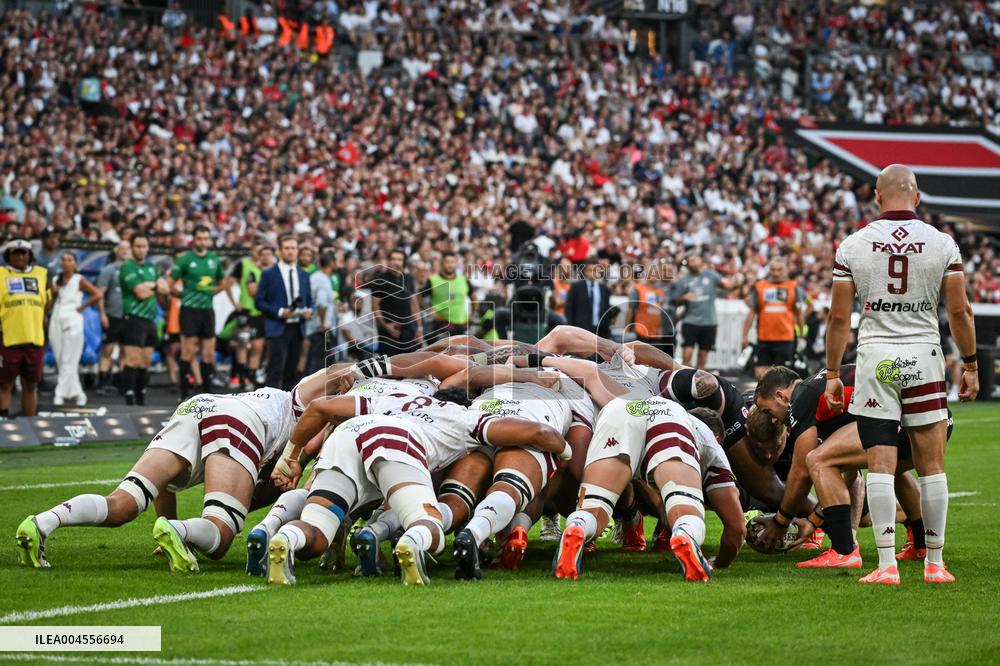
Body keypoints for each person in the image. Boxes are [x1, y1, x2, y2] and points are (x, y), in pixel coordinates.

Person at [824, 164, 978, 585]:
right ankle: (935, 563)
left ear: (877, 197)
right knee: (932, 467)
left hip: (876, 359)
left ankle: (887, 565)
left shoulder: (853, 245)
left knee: (879, 465)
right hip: (924, 357)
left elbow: (839, 318)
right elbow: (960, 311)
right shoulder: (941, 243)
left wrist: (834, 373)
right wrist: (970, 364)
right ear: (918, 195)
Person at [265, 390, 569, 586]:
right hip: (398, 441)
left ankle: (287, 538)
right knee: (432, 529)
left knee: (316, 533)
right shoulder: (465, 417)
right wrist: (565, 452)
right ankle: (412, 541)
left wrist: (289, 457)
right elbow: (538, 431)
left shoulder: (395, 397)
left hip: (347, 436)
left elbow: (319, 407)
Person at [14, 387, 296, 570]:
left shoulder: (279, 404)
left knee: (122, 504)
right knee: (221, 533)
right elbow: (320, 401)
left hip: (198, 406)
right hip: (238, 420)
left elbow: (165, 487)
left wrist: (168, 532)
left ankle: (42, 523)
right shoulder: (309, 403)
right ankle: (184, 531)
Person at [171, 225, 228, 398]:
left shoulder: (214, 259)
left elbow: (222, 282)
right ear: (194, 240)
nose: (202, 241)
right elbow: (170, 281)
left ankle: (207, 393)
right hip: (189, 310)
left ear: (209, 240)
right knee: (188, 352)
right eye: (199, 238)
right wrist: (182, 294)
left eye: (205, 238)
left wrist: (211, 292)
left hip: (207, 310)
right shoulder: (185, 259)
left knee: (208, 354)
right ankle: (184, 393)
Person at [0, 239, 51, 417]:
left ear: (30, 255)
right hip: (7, 337)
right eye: (16, 253)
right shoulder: (1, 273)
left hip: (34, 337)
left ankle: (31, 424)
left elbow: (48, 302)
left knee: (31, 383)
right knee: (4, 383)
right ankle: (3, 422)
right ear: (8, 255)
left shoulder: (42, 274)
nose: (21, 257)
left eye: (24, 253)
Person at [256, 234, 312, 391]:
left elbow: (308, 300)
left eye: (293, 248)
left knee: (293, 372)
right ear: (280, 251)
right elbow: (259, 302)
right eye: (287, 248)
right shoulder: (268, 274)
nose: (290, 252)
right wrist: (280, 312)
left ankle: (289, 409)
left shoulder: (304, 274)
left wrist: (309, 311)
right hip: (277, 327)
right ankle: (269, 409)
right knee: (274, 370)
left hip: (298, 327)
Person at [119, 234, 168, 406]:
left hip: (150, 318)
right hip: (133, 317)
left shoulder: (151, 267)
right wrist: (154, 285)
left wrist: (151, 286)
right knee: (132, 359)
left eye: (144, 246)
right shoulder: (127, 266)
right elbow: (140, 293)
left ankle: (141, 395)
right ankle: (129, 397)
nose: (141, 249)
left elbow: (166, 288)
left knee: (145, 361)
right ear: (132, 247)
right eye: (138, 246)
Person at [48, 252, 102, 406]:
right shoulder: (55, 280)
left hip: (73, 318)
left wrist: (82, 307)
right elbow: (52, 300)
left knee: (69, 357)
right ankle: (78, 393)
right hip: (56, 317)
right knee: (61, 358)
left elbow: (97, 294)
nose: (66, 262)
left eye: (69, 260)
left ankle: (59, 393)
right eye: (63, 259)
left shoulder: (79, 280)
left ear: (75, 264)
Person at [741, 258, 806, 379]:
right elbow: (751, 313)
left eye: (779, 269)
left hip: (785, 338)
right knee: (760, 374)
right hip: (764, 338)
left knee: (782, 377)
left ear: (786, 270)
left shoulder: (793, 287)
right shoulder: (760, 287)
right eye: (773, 269)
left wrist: (802, 337)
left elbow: (799, 313)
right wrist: (744, 335)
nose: (776, 272)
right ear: (769, 271)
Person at [674, 254, 740, 369]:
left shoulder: (711, 275)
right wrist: (683, 298)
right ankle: (683, 380)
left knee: (703, 354)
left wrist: (737, 280)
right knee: (687, 354)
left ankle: (699, 382)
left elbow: (728, 286)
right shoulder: (683, 280)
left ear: (700, 261)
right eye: (690, 261)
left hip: (709, 322)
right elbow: (675, 300)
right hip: (690, 321)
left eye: (694, 259)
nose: (692, 263)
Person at [368, 248, 423, 356]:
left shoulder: (409, 279)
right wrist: (385, 326)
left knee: (408, 366)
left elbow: (414, 305)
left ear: (403, 262)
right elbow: (375, 307)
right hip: (388, 332)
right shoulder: (380, 280)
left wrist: (419, 328)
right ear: (388, 261)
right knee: (389, 368)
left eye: (399, 259)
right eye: (393, 259)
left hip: (408, 330)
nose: (396, 262)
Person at [96, 240, 131, 395]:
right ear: (117, 250)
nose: (124, 251)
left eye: (127, 248)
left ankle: (122, 383)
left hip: (129, 316)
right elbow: (100, 295)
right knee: (108, 349)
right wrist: (102, 314)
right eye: (121, 248)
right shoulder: (108, 270)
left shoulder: (134, 270)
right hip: (112, 315)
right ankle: (102, 382)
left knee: (126, 350)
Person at [626, 261, 674, 356]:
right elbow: (631, 310)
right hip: (641, 330)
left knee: (655, 361)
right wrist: (627, 328)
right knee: (641, 359)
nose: (654, 275)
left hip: (656, 332)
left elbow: (661, 312)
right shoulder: (638, 289)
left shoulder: (660, 292)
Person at [427, 252, 471, 344]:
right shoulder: (433, 280)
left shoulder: (463, 279)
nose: (450, 265)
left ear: (456, 263)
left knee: (460, 355)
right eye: (447, 262)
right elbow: (418, 297)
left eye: (452, 262)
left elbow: (473, 295)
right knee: (443, 355)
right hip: (442, 325)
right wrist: (429, 310)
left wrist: (472, 314)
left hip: (461, 324)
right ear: (442, 263)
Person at [304, 251, 337, 374]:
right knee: (319, 363)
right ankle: (315, 390)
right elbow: (321, 303)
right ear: (332, 263)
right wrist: (323, 323)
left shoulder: (316, 277)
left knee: (316, 360)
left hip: (314, 326)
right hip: (321, 327)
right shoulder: (322, 280)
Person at [564, 261, 612, 339]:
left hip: (599, 330)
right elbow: (569, 309)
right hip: (580, 330)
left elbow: (606, 310)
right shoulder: (577, 287)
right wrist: (570, 328)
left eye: (595, 270)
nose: (593, 273)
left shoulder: (604, 289)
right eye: (590, 270)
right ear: (585, 272)